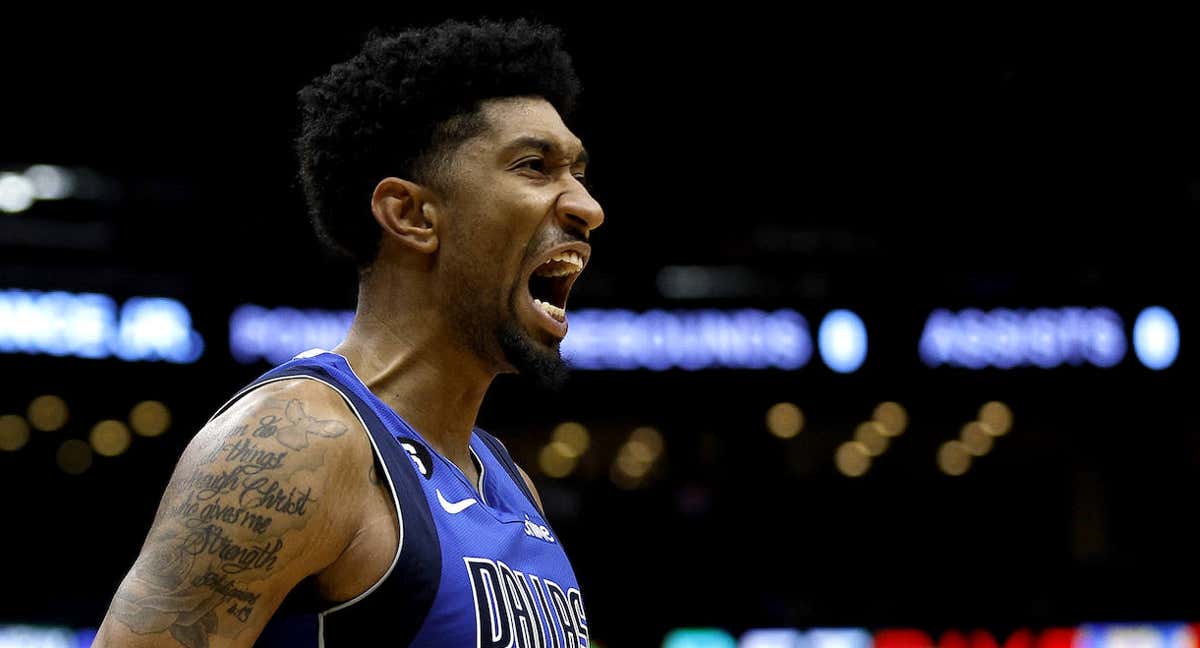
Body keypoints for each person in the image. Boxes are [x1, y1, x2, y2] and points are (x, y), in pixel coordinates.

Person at [94, 16, 603, 647]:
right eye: (534, 166)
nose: (587, 205)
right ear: (412, 214)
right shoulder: (297, 444)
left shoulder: (507, 479)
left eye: (578, 171)